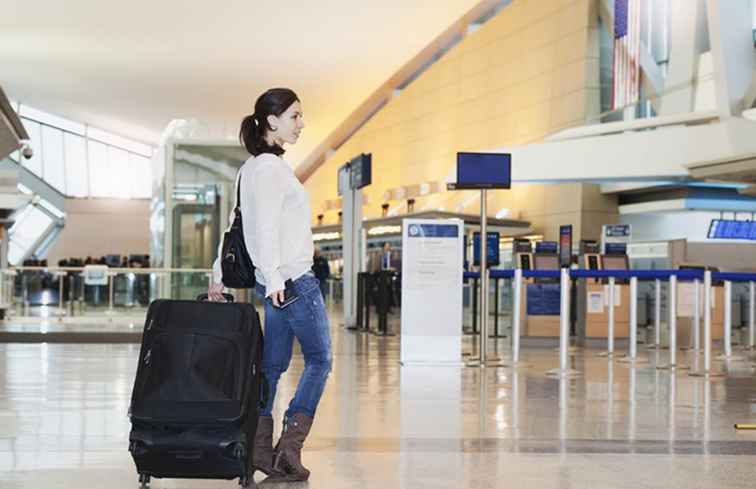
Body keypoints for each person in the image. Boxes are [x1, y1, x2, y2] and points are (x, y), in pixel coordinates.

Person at [207, 88, 331, 483]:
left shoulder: (251, 169)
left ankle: (260, 449)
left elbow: (234, 227)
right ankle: (288, 450)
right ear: (271, 121)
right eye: (295, 116)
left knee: (273, 366)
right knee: (319, 360)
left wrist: (218, 272)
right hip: (293, 282)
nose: (301, 124)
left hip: (275, 283)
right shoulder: (271, 169)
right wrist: (275, 276)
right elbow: (261, 229)